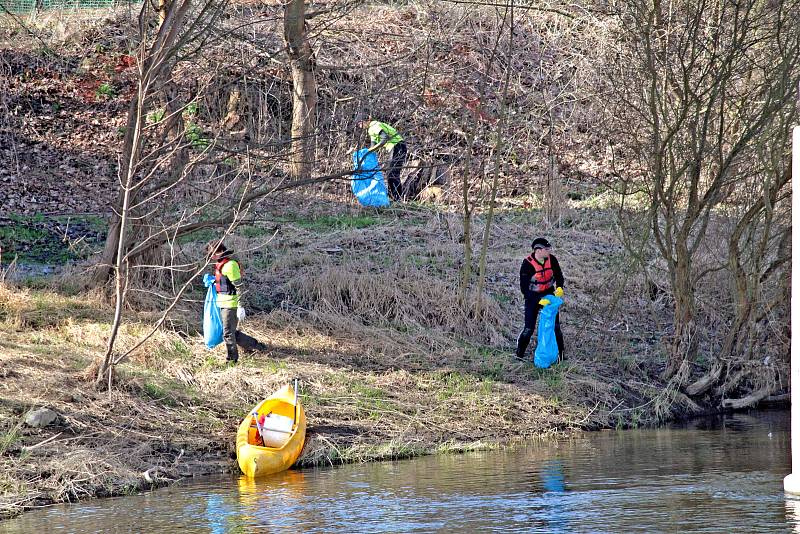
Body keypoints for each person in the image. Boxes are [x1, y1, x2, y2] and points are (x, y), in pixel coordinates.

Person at [206, 240, 265, 363]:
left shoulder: (230, 265)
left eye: (213, 254)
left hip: (231, 304)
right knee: (230, 332)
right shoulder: (220, 264)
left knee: (227, 333)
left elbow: (239, 287)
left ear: (221, 251)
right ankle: (256, 346)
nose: (211, 257)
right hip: (222, 303)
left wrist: (240, 306)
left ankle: (232, 360)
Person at [515, 237, 565, 362]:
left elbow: (559, 275)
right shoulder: (527, 264)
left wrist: (559, 287)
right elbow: (524, 288)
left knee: (555, 327)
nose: (549, 251)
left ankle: (561, 355)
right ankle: (518, 356)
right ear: (538, 250)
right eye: (546, 249)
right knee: (529, 329)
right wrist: (538, 300)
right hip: (532, 298)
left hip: (549, 295)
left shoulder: (552, 259)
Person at [362, 119, 408, 200]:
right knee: (390, 173)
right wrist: (363, 154)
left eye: (360, 123)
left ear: (367, 120)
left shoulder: (374, 125)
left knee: (392, 173)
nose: (360, 126)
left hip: (397, 146)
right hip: (395, 147)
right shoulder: (370, 130)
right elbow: (373, 147)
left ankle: (397, 198)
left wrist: (370, 151)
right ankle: (392, 197)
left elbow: (384, 138)